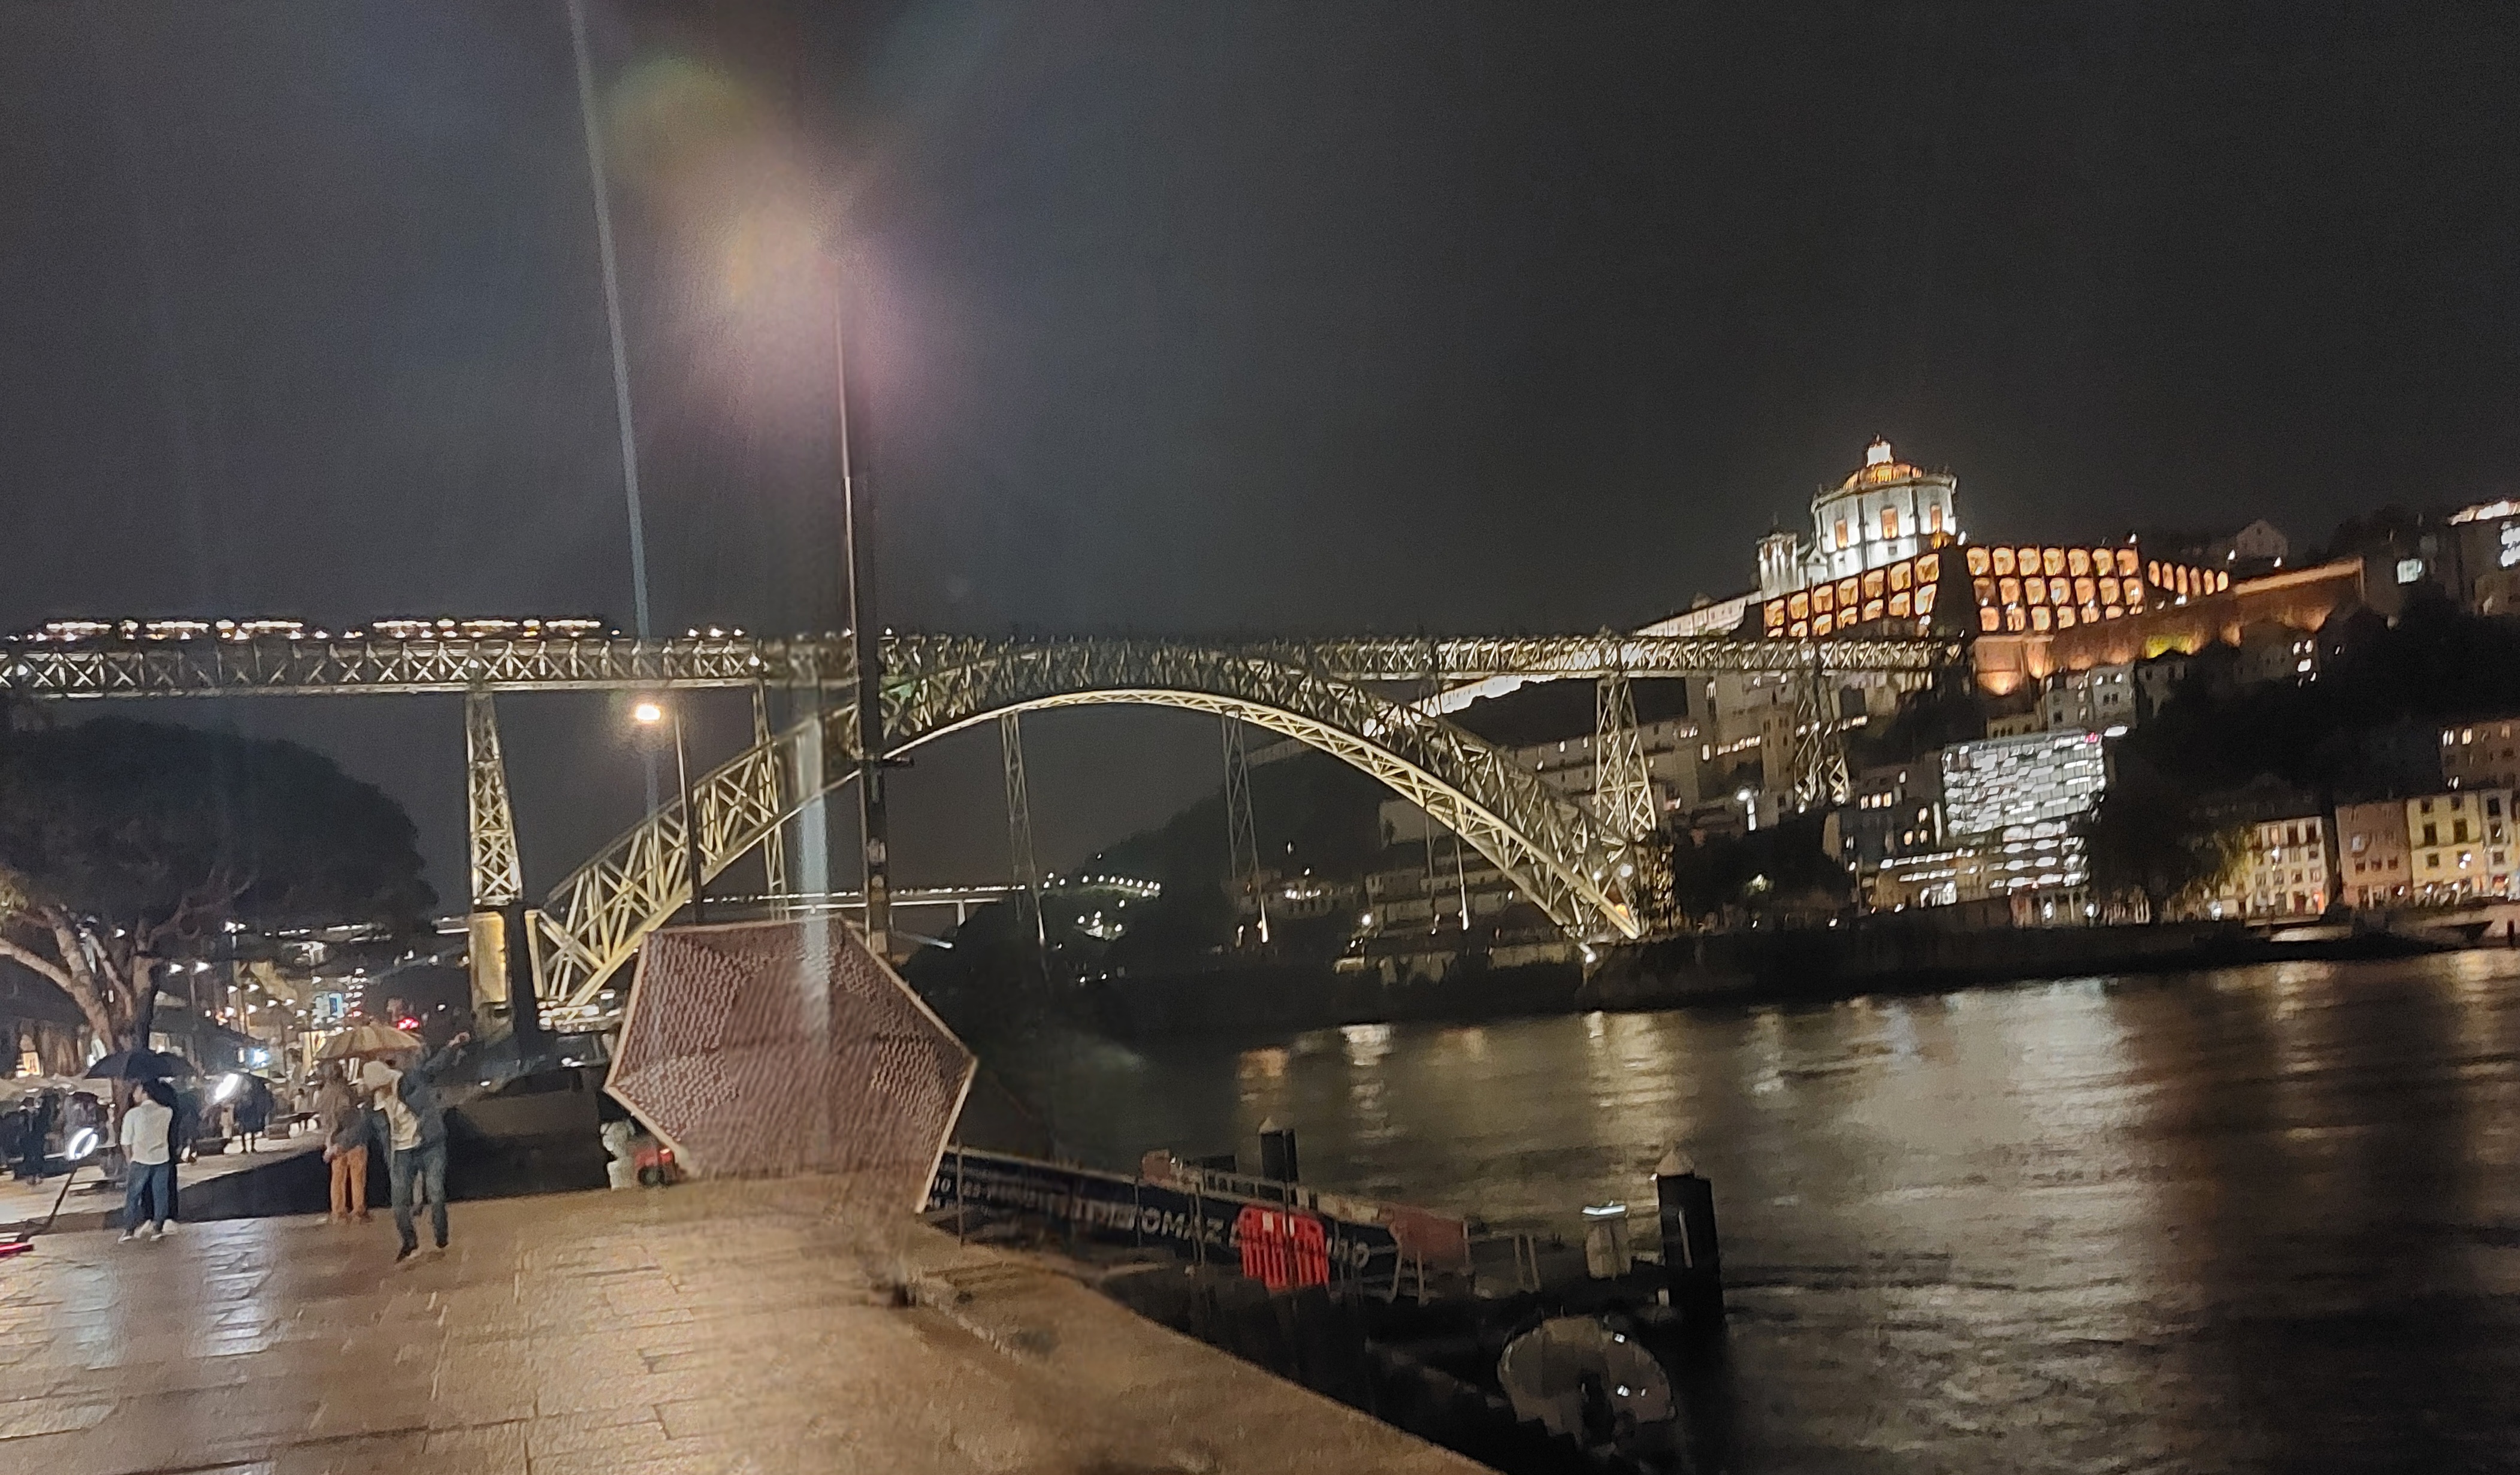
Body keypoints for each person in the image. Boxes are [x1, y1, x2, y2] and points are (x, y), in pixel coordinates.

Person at [362, 1033, 469, 1263]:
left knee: (436, 1193)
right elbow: (365, 1130)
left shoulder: (410, 1081)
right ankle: (409, 1242)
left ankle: (441, 1234)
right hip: (402, 1152)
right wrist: (340, 1145)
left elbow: (434, 1067)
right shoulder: (374, 1105)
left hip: (429, 1144)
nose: (377, 1091)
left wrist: (452, 1046)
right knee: (399, 1203)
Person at [118, 1078, 177, 1243]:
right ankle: (158, 1228)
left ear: (145, 1093)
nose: (134, 1094)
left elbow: (126, 1141)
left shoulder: (133, 1114)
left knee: (133, 1195)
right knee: (160, 1194)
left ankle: (129, 1229)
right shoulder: (167, 1112)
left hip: (140, 1158)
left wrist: (130, 1160)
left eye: (137, 1091)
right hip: (162, 1158)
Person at [315, 1065, 370, 1223]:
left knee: (337, 1177)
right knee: (357, 1176)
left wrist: (329, 1143)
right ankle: (358, 1210)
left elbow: (325, 1121)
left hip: (334, 1140)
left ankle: (338, 1212)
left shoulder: (323, 1095)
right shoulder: (347, 1091)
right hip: (354, 1139)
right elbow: (352, 1117)